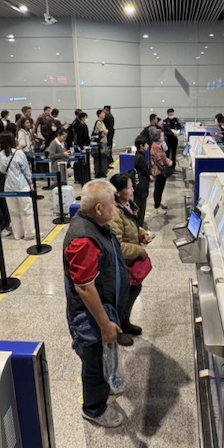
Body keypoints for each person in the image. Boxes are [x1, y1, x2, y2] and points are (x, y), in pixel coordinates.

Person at [62, 179, 129, 428]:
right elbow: (84, 288)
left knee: (102, 356)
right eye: (112, 204)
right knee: (93, 361)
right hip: (90, 317)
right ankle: (94, 408)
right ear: (98, 208)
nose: (115, 208)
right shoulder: (83, 239)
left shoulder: (96, 226)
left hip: (104, 308)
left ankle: (105, 386)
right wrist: (104, 324)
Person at [108, 172, 152, 346]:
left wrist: (142, 234)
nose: (133, 189)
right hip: (120, 265)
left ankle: (125, 321)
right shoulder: (114, 213)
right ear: (118, 192)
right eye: (129, 187)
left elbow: (132, 226)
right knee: (121, 296)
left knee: (134, 289)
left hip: (129, 262)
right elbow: (117, 246)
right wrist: (139, 250)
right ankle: (117, 330)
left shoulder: (126, 205)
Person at [0, 131, 34, 240]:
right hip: (22, 185)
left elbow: (2, 170)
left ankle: (18, 234)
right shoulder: (19, 153)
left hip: (8, 186)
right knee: (26, 210)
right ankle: (29, 233)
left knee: (13, 212)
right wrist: (30, 182)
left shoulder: (0, 155)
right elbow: (26, 170)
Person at [148, 127, 172, 213]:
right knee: (158, 188)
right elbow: (160, 159)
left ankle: (158, 202)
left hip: (160, 170)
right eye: (162, 136)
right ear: (157, 137)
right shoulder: (155, 147)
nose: (163, 137)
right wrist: (168, 162)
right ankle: (157, 207)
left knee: (160, 188)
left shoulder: (159, 146)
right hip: (158, 171)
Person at [132, 136, 151, 226]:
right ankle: (139, 225)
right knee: (141, 207)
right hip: (141, 187)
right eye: (146, 144)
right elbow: (145, 170)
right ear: (141, 146)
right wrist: (150, 176)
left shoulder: (137, 156)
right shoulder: (140, 158)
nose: (148, 145)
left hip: (138, 187)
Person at [92, 110, 109, 178]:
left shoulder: (102, 122)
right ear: (99, 114)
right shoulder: (98, 122)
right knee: (99, 157)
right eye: (102, 113)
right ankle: (98, 172)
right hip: (100, 142)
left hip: (104, 141)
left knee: (104, 157)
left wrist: (105, 131)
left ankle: (103, 171)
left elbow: (106, 131)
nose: (104, 114)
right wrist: (105, 131)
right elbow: (104, 131)